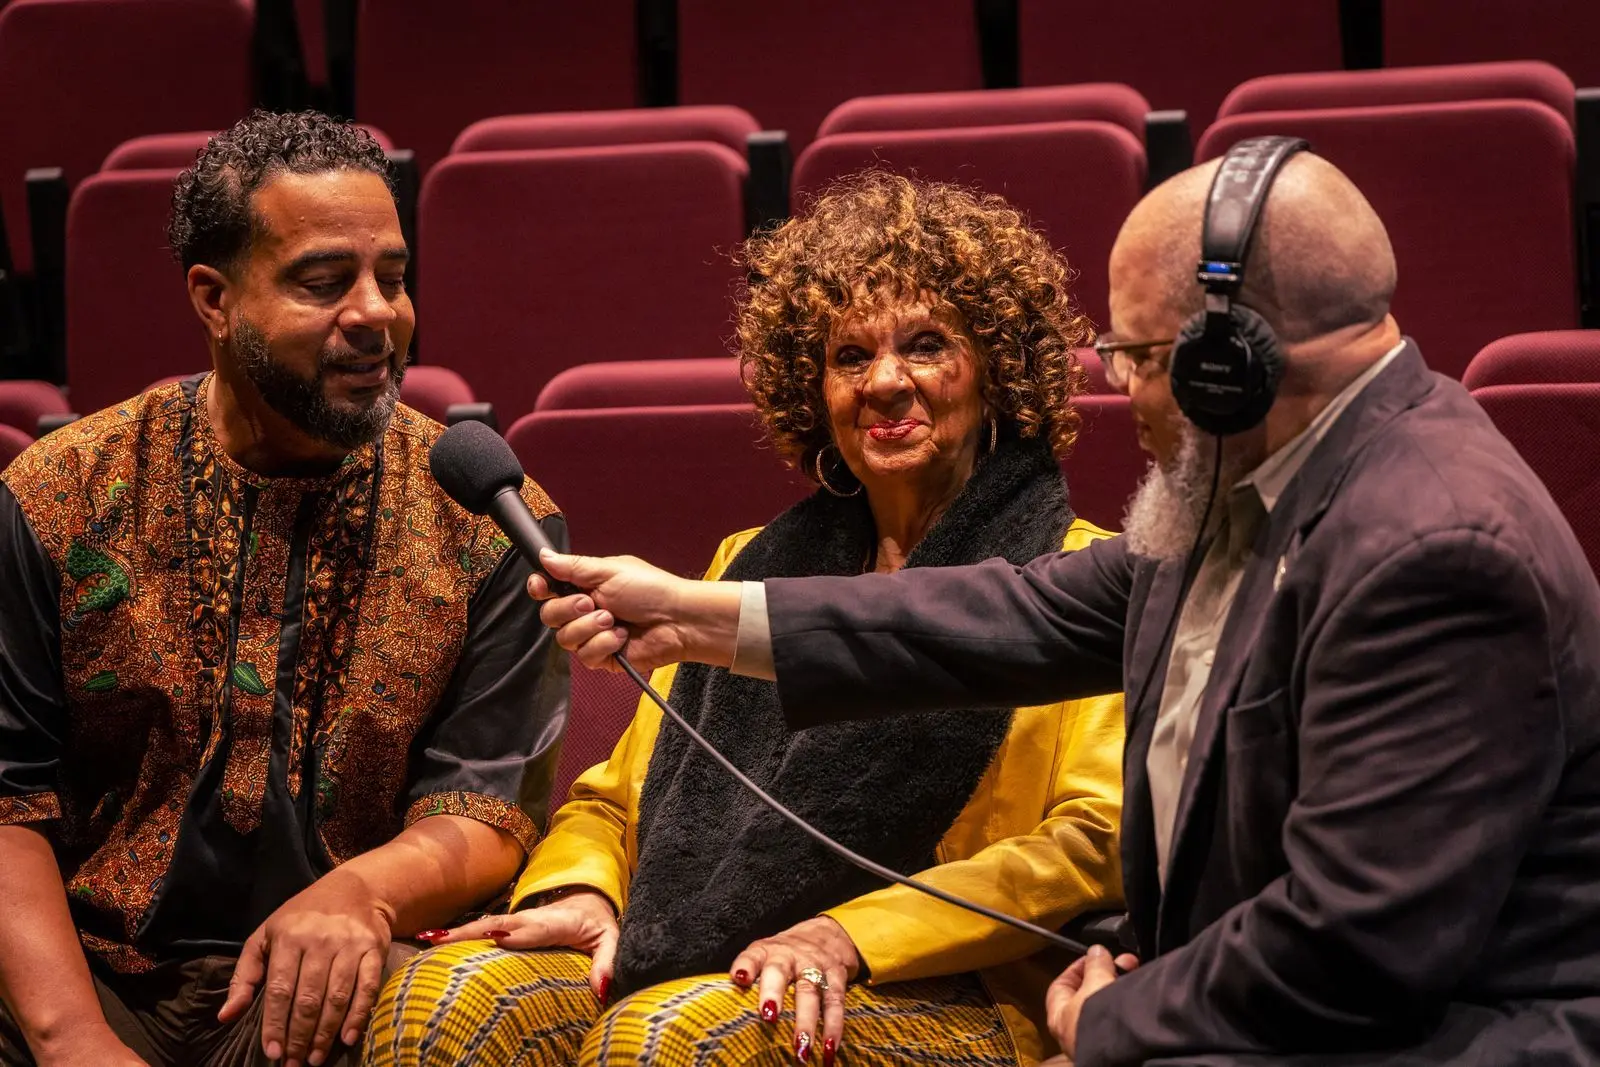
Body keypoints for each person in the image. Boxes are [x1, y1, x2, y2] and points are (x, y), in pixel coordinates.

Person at [531, 146, 1600, 1066]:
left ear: (1228, 365)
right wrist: (692, 614)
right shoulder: (1255, 495)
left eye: (1133, 356)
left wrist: (1117, 1016)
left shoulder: (1431, 549)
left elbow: (1360, 942)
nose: (1118, 390)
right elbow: (1016, 614)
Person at [363, 172, 1126, 1067]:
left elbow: (1090, 841)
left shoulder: (1076, 574)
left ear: (996, 368)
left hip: (949, 979)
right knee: (447, 999)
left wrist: (852, 933)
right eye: (849, 356)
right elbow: (616, 802)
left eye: (926, 345)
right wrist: (585, 892)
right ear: (816, 389)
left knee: (674, 1041)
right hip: (692, 946)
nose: (884, 382)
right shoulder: (743, 566)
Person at [0, 111, 568, 1067]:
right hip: (78, 970)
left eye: (392, 277)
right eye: (324, 281)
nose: (377, 313)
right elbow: (5, 801)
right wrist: (74, 1039)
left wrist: (360, 894)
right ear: (214, 299)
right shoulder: (59, 498)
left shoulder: (486, 517)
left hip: (329, 983)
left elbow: (485, 809)